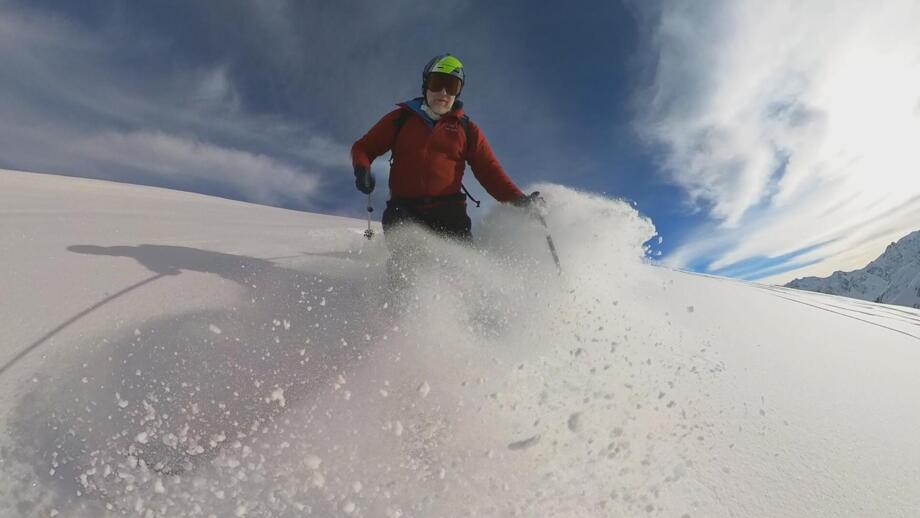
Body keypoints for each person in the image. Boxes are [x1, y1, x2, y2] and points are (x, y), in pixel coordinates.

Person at [351, 53, 542, 245]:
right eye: (437, 83)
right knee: (409, 265)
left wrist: (519, 200)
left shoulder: (467, 130)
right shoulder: (401, 119)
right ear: (426, 85)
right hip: (403, 211)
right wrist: (362, 168)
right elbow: (364, 148)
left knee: (461, 268)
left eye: (451, 86)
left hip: (449, 212)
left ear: (457, 93)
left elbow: (489, 171)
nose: (443, 92)